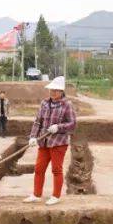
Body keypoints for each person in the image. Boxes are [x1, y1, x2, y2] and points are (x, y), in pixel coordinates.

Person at [25, 76, 77, 206]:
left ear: (61, 91)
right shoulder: (44, 103)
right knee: (39, 168)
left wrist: (58, 127)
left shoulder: (67, 105)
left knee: (56, 169)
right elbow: (38, 121)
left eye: (56, 90)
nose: (53, 92)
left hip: (58, 142)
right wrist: (33, 137)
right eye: (51, 90)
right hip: (44, 141)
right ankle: (37, 194)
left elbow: (72, 124)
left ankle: (56, 196)